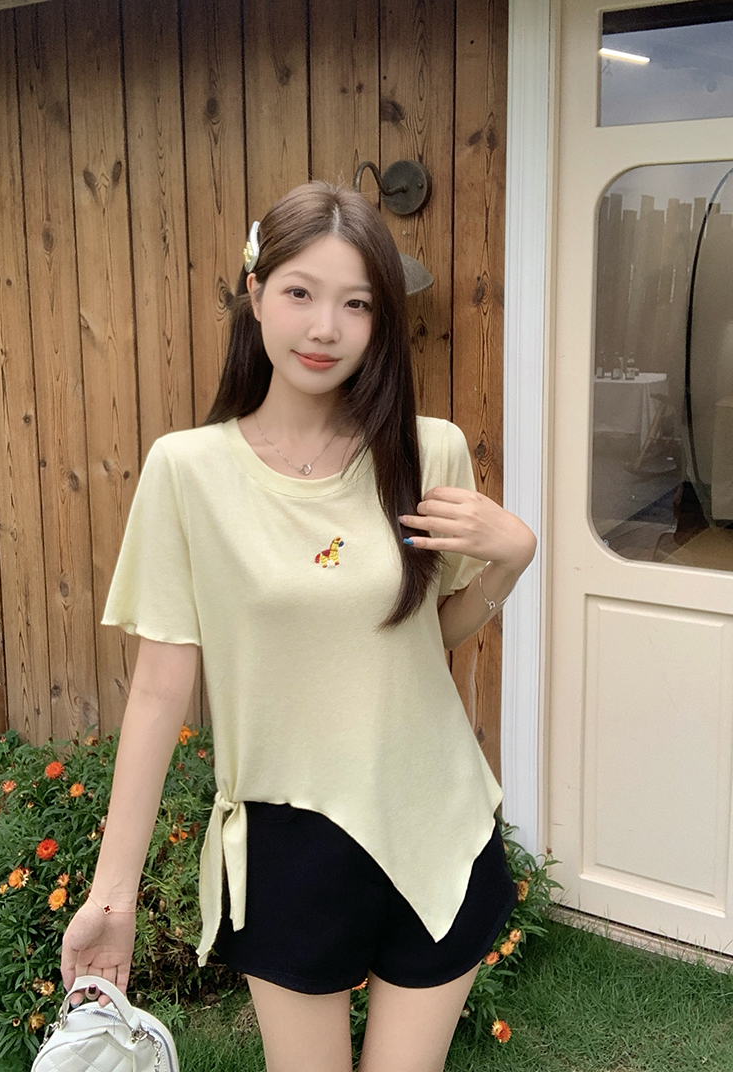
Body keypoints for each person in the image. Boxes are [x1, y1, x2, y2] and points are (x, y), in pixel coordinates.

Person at [60, 181, 537, 1072]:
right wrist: (112, 896)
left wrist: (512, 562)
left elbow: (426, 637)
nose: (325, 328)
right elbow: (159, 689)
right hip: (289, 840)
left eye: (357, 304)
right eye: (300, 293)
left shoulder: (428, 452)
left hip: (437, 817)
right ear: (255, 292)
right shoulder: (188, 473)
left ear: (381, 321)